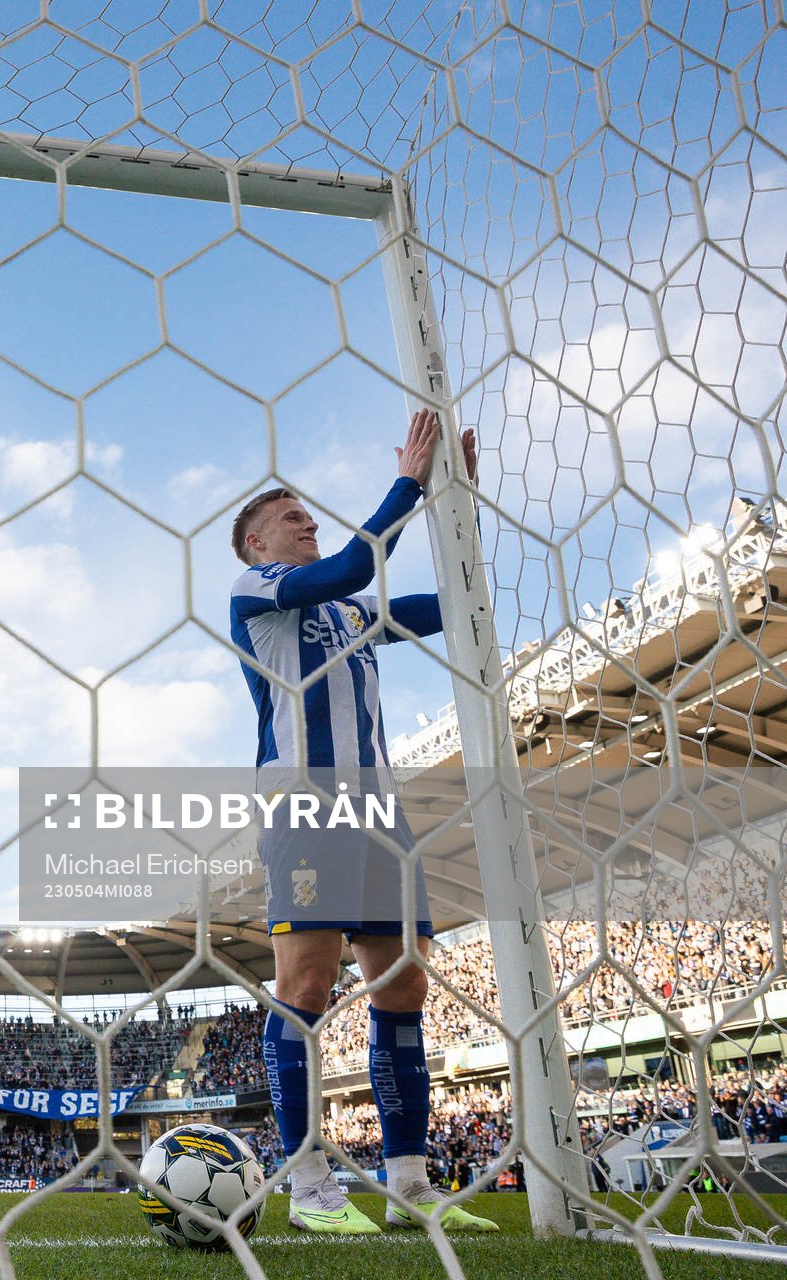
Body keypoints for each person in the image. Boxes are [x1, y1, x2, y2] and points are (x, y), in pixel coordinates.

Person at [229, 409, 495, 1235]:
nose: (308, 522)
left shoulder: (353, 615)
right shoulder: (258, 595)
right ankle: (308, 1179)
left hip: (381, 814)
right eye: (290, 519)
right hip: (305, 806)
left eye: (308, 515)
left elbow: (452, 604)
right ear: (257, 545)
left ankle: (409, 1181)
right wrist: (410, 480)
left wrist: (456, 504)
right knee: (307, 983)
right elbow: (347, 566)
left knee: (404, 984)